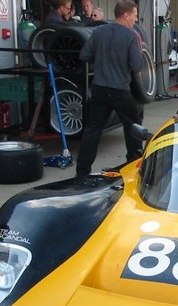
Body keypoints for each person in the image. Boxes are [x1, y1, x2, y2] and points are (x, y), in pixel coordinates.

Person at [75, 0, 144, 178]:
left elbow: (84, 54)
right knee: (134, 128)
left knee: (92, 130)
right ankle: (134, 169)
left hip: (99, 88)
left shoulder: (99, 32)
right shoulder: (131, 36)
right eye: (134, 15)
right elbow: (137, 66)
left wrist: (102, 59)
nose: (135, 20)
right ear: (126, 15)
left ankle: (82, 172)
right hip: (120, 90)